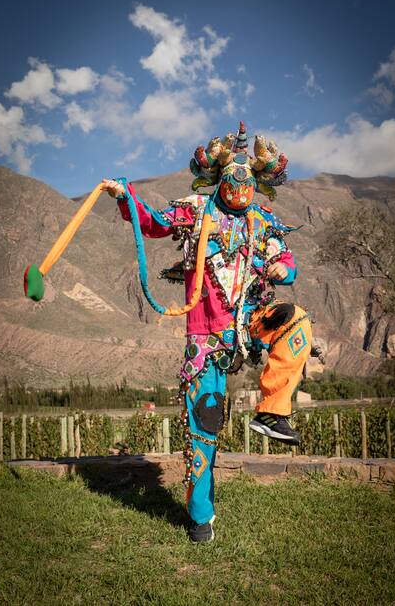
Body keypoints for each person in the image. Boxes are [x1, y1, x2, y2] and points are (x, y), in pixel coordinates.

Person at [101, 122, 309, 543]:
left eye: (246, 178)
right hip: (206, 336)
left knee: (295, 320)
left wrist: (282, 268)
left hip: (250, 322)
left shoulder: (262, 219)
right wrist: (127, 197)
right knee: (204, 423)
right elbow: (155, 223)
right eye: (232, 177)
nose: (239, 185)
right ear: (218, 176)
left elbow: (288, 260)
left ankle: (273, 412)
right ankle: (200, 517)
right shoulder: (196, 209)